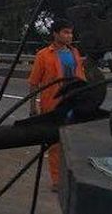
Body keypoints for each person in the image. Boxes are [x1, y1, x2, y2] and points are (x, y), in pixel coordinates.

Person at [28, 18, 86, 192]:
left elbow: (81, 79)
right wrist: (33, 106)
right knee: (55, 144)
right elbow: (33, 82)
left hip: (73, 103)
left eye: (71, 32)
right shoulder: (44, 55)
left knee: (72, 143)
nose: (69, 36)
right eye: (65, 32)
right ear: (56, 34)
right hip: (53, 104)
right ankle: (56, 180)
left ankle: (71, 178)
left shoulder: (74, 53)